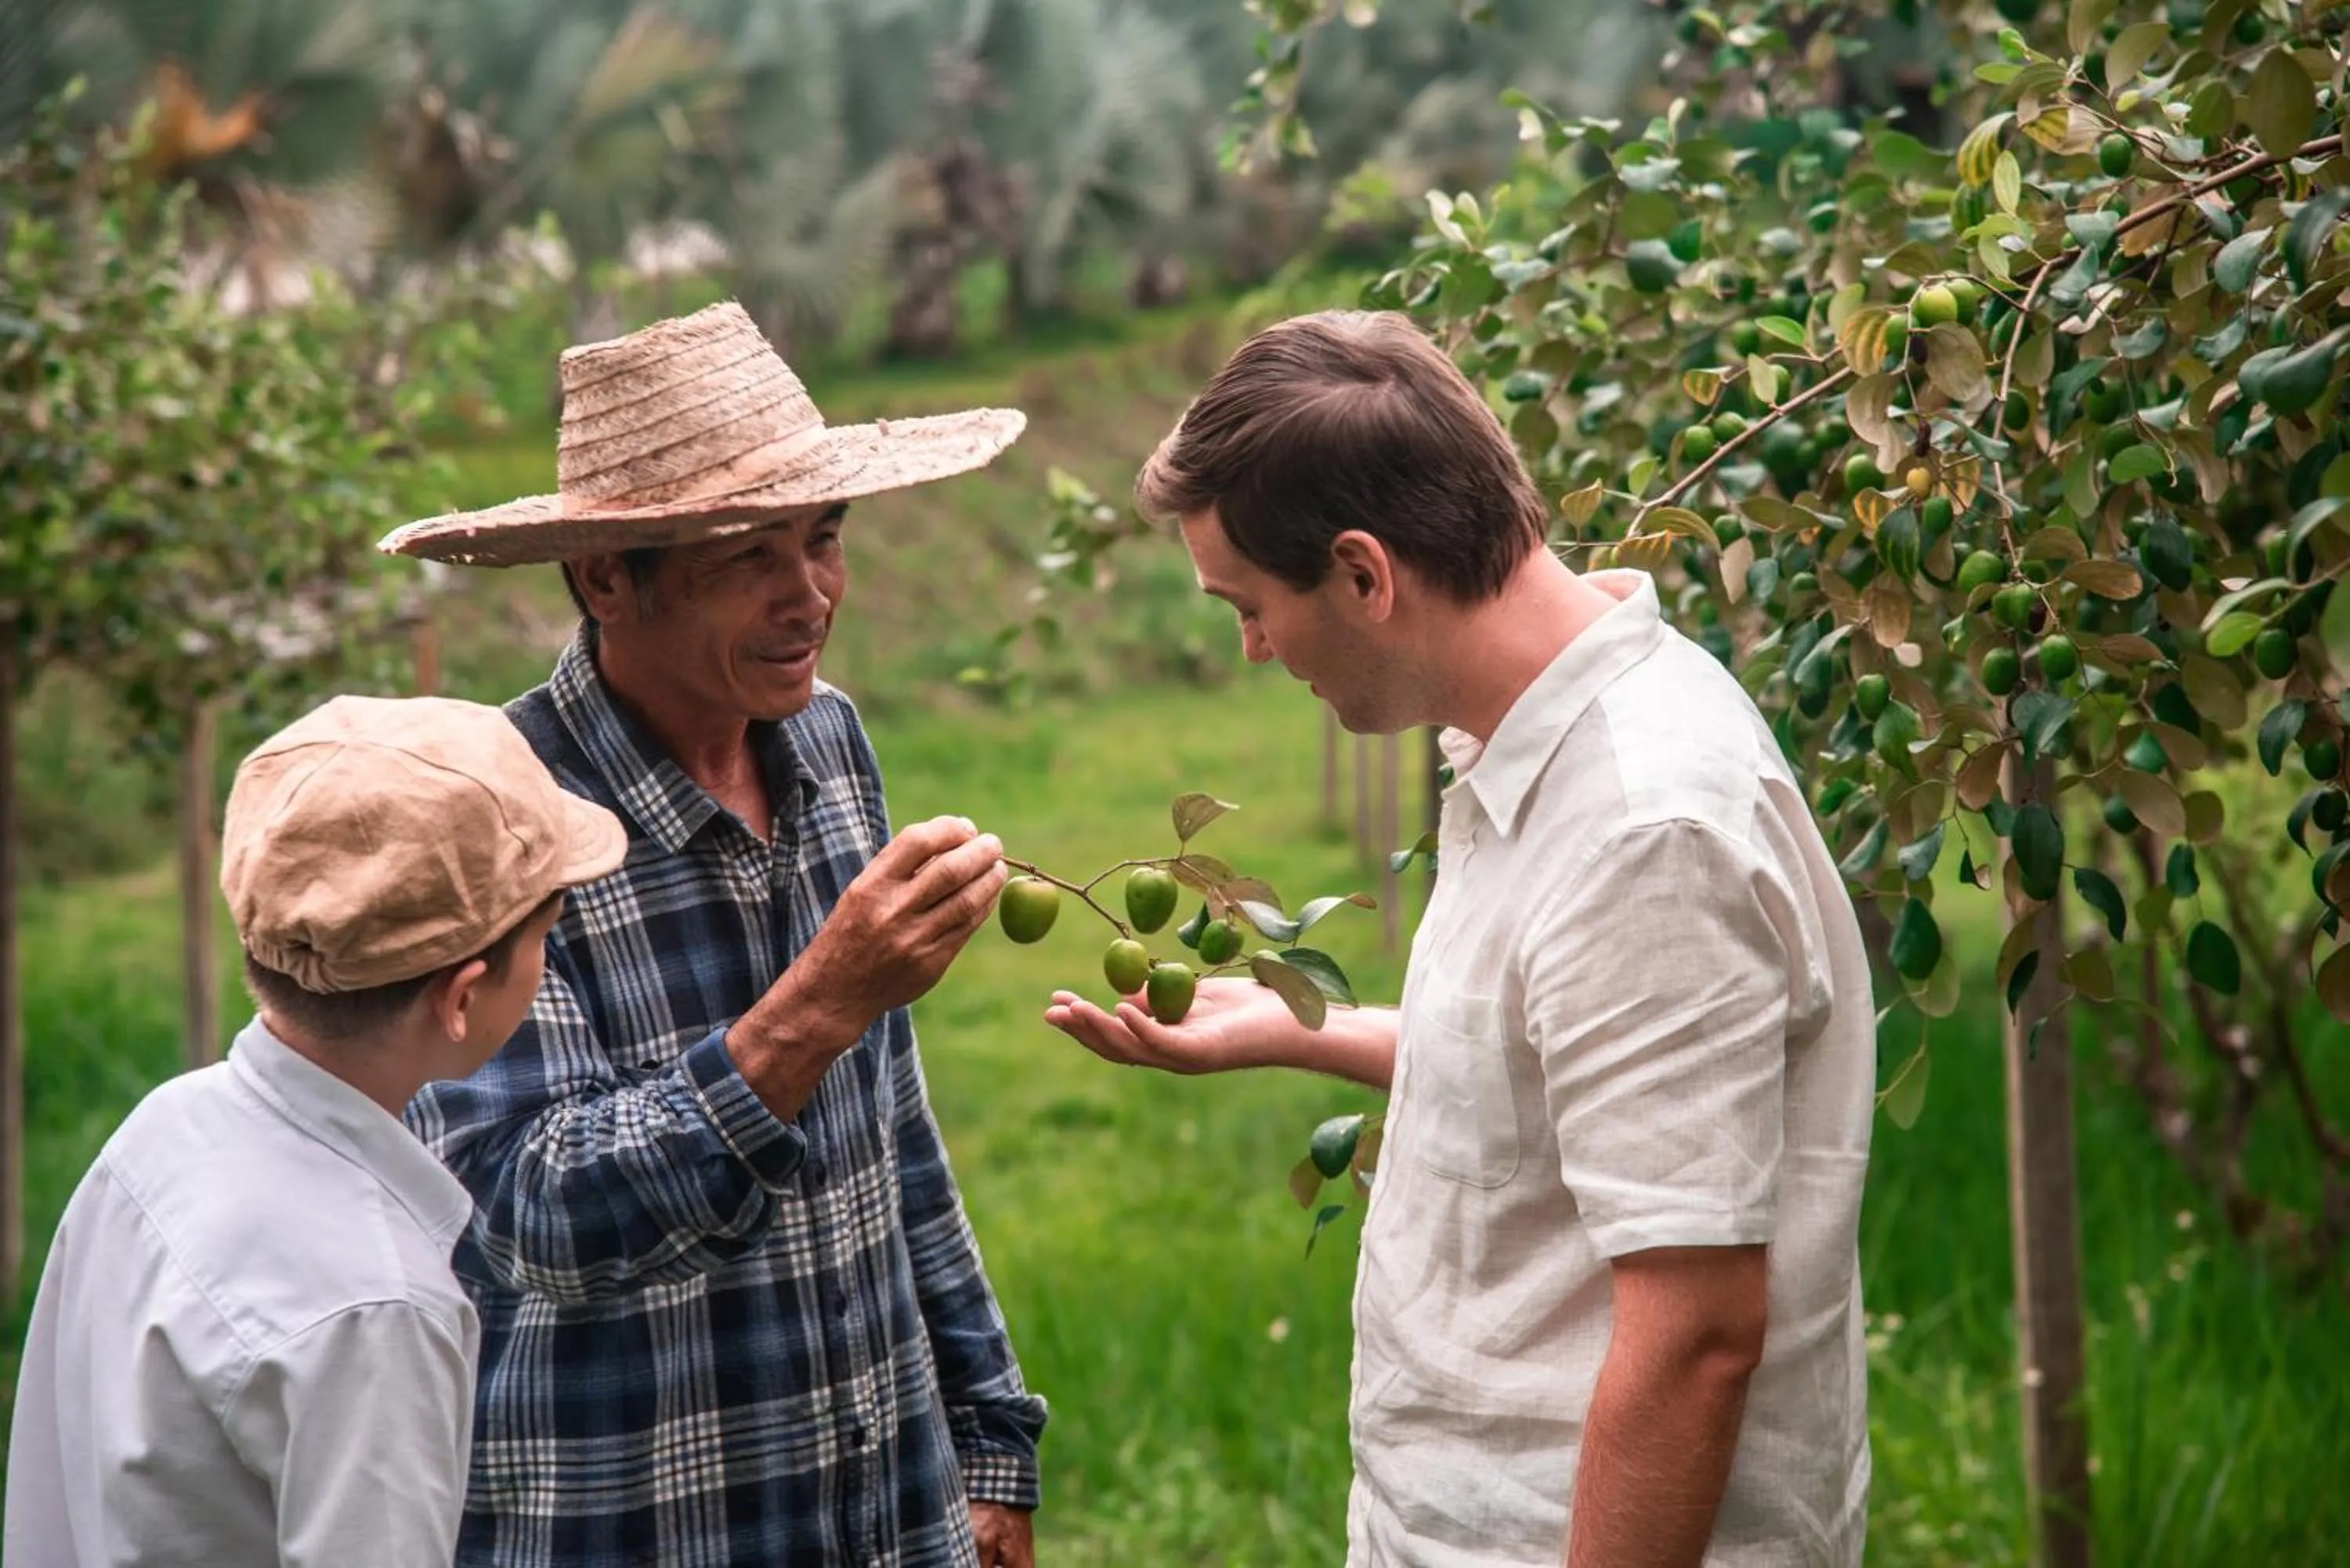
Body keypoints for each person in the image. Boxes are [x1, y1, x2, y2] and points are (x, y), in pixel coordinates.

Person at [1044, 309, 1875, 1568]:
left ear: (1366, 575)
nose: (1253, 647)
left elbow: (1695, 1335)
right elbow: (1557, 1086)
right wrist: (1290, 1029)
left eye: (1250, 605)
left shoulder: (1641, 831)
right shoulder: (1519, 751)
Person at [381, 300, 1047, 1568]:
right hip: (640, 1516)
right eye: (749, 555)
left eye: (826, 538)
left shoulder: (829, 745)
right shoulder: (497, 812)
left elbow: (891, 1129)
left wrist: (985, 1432)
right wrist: (819, 1006)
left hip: (879, 1500)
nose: (812, 596)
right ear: (603, 576)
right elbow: (530, 1215)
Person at [5, 695, 629, 1567]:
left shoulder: (165, 1130)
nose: (545, 964)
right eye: (543, 940)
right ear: (459, 999)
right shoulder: (376, 1309)